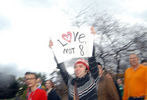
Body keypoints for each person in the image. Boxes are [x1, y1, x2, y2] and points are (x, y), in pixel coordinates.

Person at [49, 28, 99, 100]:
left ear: (87, 70)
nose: (77, 68)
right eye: (75, 67)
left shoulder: (92, 78)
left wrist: (90, 40)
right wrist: (54, 49)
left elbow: (92, 57)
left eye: (80, 66)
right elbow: (61, 67)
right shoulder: (70, 82)